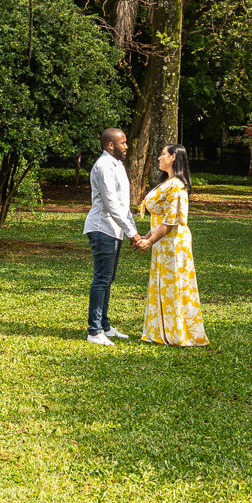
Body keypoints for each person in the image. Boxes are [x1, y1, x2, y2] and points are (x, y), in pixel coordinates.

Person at [135, 145, 208, 347]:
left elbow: (169, 222)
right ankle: (162, 331)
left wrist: (149, 241)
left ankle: (178, 333)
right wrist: (147, 236)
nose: (159, 157)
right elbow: (160, 220)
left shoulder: (176, 185)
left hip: (173, 243)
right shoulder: (167, 183)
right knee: (163, 286)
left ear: (173, 157)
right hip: (163, 242)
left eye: (163, 154)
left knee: (175, 285)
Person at [82, 127, 138, 345]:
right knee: (101, 279)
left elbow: (124, 205)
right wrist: (133, 234)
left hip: (114, 229)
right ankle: (94, 331)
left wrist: (132, 229)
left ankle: (104, 325)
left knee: (108, 279)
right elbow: (111, 204)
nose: (126, 146)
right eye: (122, 143)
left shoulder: (117, 165)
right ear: (110, 145)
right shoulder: (104, 166)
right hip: (102, 227)